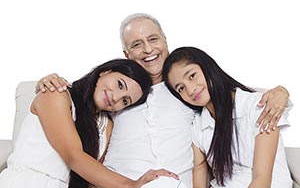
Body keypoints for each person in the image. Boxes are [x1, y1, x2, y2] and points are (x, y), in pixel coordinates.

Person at [35, 13, 290, 187]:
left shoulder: (191, 93)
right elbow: (77, 107)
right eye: (137, 44)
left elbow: (233, 101)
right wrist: (48, 83)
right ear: (126, 53)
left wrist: (280, 92)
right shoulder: (119, 94)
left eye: (153, 39)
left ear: (165, 41)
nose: (147, 50)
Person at [0, 59, 180, 188]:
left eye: (125, 101)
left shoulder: (105, 125)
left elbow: (91, 177)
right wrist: (132, 185)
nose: (115, 98)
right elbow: (74, 156)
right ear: (105, 71)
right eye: (119, 84)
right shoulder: (55, 94)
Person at [162, 46, 293, 187]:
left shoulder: (257, 106)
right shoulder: (198, 126)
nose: (190, 89)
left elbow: (262, 179)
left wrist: (282, 91)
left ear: (207, 67)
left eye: (192, 76)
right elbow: (199, 173)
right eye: (181, 88)